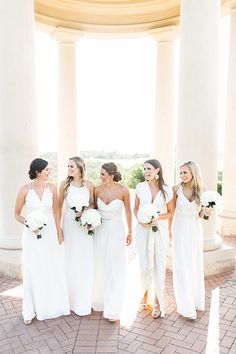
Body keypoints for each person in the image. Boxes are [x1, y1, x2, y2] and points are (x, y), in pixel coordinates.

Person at [15, 158, 70, 324]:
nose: (49, 172)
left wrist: (59, 231)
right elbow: (16, 214)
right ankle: (31, 309)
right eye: (47, 170)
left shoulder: (52, 188)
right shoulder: (25, 190)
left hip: (50, 233)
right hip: (31, 235)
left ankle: (52, 305)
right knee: (33, 269)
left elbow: (56, 212)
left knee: (51, 266)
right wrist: (30, 224)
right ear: (38, 172)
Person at [134, 159, 174, 319]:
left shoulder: (167, 190)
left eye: (149, 168)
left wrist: (158, 218)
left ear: (157, 170)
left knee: (159, 265)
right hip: (143, 231)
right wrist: (141, 220)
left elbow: (171, 212)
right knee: (144, 265)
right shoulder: (139, 187)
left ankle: (157, 302)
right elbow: (136, 208)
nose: (146, 171)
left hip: (159, 232)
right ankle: (144, 295)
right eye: (144, 169)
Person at [93, 162, 132, 322]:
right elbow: (93, 210)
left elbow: (128, 211)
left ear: (111, 175)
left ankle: (113, 306)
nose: (100, 177)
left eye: (102, 174)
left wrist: (130, 231)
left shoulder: (123, 190)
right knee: (101, 264)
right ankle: (100, 299)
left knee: (115, 266)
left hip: (116, 231)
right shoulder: (96, 190)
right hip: (100, 230)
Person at [59, 156, 95, 316]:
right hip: (69, 225)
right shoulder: (64, 185)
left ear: (80, 167)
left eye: (71, 166)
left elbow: (93, 203)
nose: (69, 168)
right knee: (71, 258)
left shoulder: (89, 185)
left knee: (85, 259)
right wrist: (59, 229)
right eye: (68, 166)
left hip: (84, 226)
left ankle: (84, 299)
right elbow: (58, 207)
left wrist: (86, 212)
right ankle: (70, 299)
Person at [171, 161, 205, 320]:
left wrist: (207, 211)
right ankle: (185, 305)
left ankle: (195, 299)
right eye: (181, 173)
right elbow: (170, 212)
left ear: (193, 173)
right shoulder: (176, 190)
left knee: (194, 262)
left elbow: (202, 216)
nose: (182, 176)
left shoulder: (200, 191)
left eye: (185, 172)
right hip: (180, 229)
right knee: (181, 264)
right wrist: (170, 233)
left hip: (195, 229)